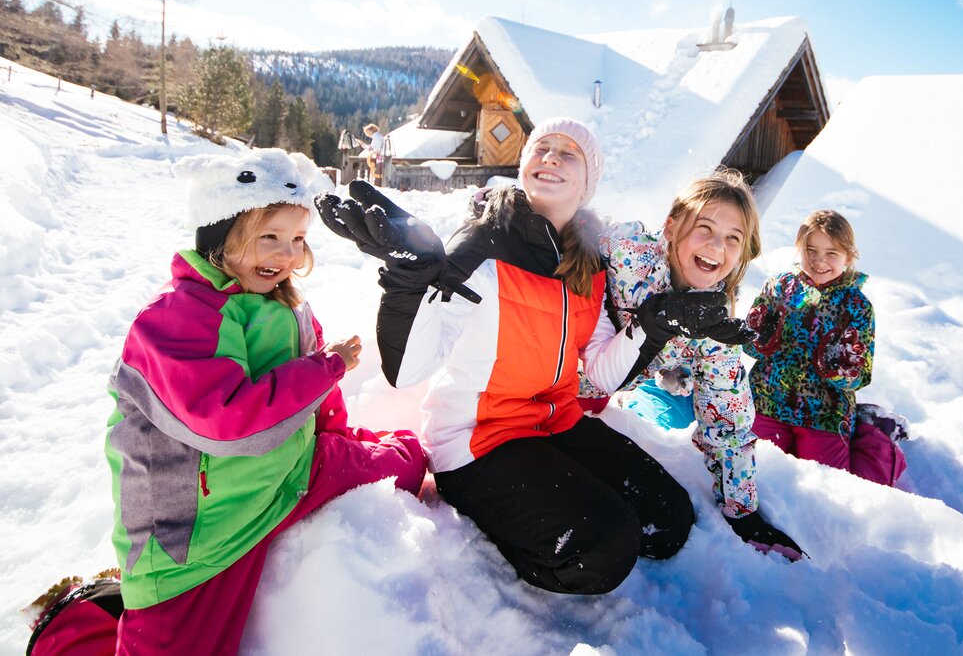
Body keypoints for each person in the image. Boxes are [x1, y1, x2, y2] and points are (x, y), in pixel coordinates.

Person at [318, 118, 735, 595]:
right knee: (604, 551)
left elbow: (600, 368)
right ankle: (501, 535)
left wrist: (656, 323)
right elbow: (410, 368)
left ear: (587, 183)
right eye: (542, 148)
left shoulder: (588, 260)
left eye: (568, 152)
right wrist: (408, 281)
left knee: (667, 521)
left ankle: (561, 501)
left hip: (555, 423)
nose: (551, 157)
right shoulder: (483, 244)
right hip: (479, 440)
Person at [105, 148, 427, 654]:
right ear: (218, 237)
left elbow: (317, 403)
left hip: (289, 479)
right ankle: (78, 624)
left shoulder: (288, 306)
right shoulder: (177, 317)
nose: (286, 256)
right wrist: (327, 366)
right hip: (199, 539)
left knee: (406, 463)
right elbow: (227, 420)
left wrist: (339, 438)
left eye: (298, 240)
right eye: (269, 238)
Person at [577, 169, 805, 561]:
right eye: (705, 228)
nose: (718, 245)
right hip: (532, 386)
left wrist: (743, 514)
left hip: (586, 406)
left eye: (733, 238)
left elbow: (728, 422)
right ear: (671, 227)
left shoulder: (713, 325)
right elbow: (568, 225)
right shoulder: (629, 252)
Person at [745, 209, 907, 486]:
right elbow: (751, 347)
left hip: (825, 415)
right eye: (811, 250)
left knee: (833, 488)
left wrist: (840, 367)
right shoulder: (779, 287)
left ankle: (876, 433)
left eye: (831, 253)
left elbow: (860, 376)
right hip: (767, 401)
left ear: (849, 255)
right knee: (754, 474)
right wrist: (758, 339)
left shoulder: (856, 306)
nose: (819, 261)